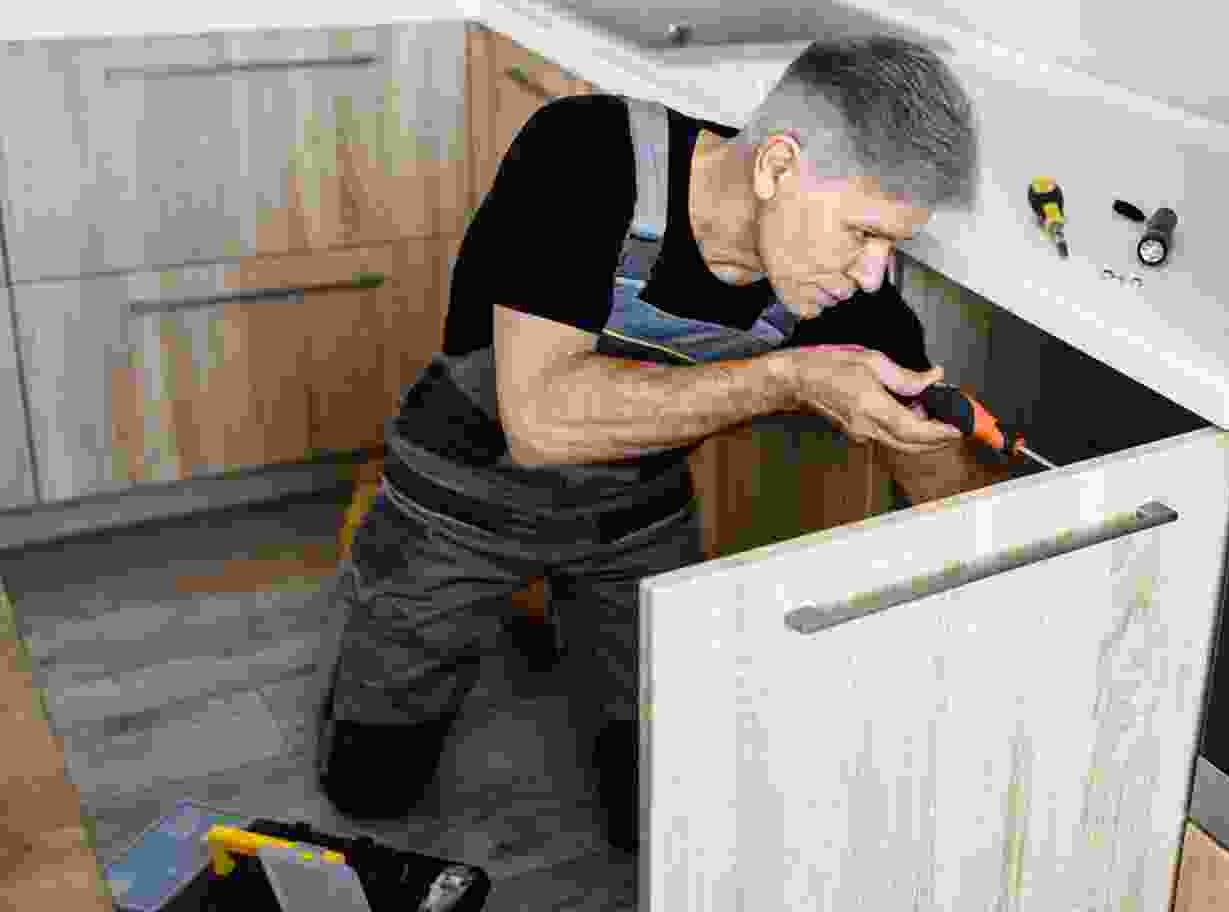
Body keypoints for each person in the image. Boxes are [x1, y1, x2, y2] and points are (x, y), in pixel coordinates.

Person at [315, 34, 994, 853]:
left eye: (894, 246)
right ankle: (408, 605)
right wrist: (789, 379)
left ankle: (543, 619)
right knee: (371, 789)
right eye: (862, 233)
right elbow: (542, 419)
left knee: (657, 802)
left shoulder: (841, 289)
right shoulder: (587, 154)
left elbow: (926, 447)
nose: (872, 275)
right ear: (778, 167)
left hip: (635, 515)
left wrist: (1000, 587)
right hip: (458, 497)